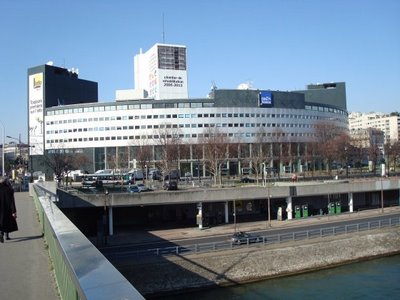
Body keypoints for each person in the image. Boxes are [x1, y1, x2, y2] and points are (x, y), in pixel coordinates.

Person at [0, 176, 18, 242]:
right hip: (7, 209)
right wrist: (14, 211)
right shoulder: (9, 189)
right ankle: (6, 236)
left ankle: (1, 234)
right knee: (7, 222)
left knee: (1, 222)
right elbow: (12, 202)